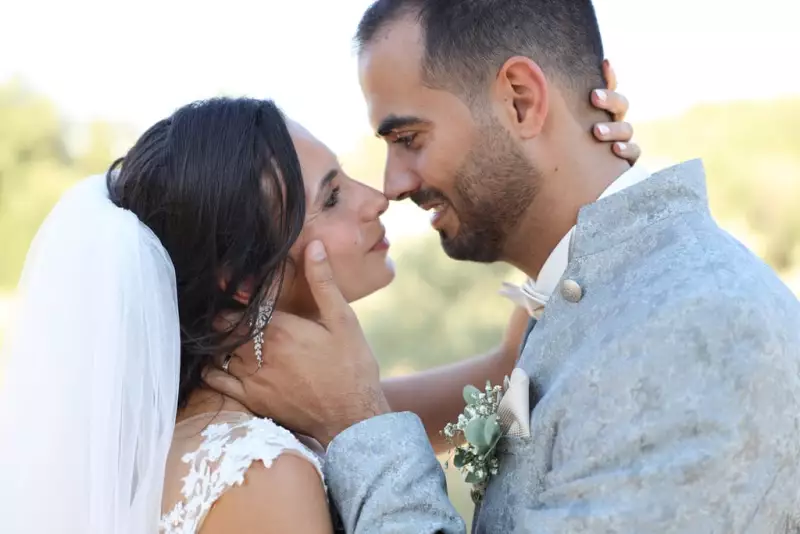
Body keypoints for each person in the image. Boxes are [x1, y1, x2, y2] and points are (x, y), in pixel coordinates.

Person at [208, 1, 800, 533]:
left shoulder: (696, 327)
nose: (391, 186)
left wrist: (356, 423)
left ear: (521, 100)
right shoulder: (588, 297)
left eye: (409, 137)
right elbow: (499, 381)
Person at [0, 82, 638, 531]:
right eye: (332, 198)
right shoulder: (260, 472)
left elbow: (460, 389)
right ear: (241, 281)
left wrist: (577, 169)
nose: (377, 197)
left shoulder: (241, 419)